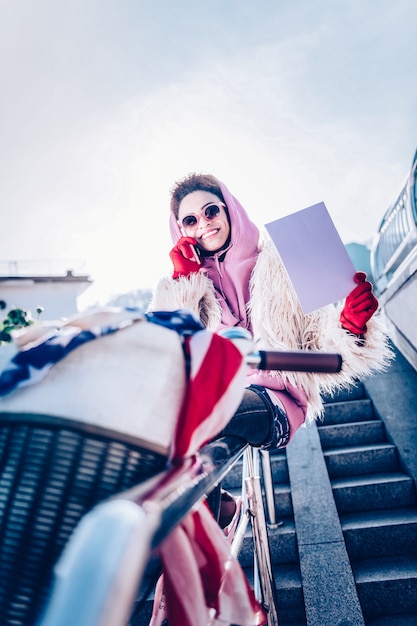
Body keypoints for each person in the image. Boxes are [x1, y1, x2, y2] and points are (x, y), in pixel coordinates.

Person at [149, 172, 393, 454]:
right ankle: (216, 499)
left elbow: (322, 350)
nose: (203, 223)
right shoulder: (187, 286)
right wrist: (184, 285)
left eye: (211, 211)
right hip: (214, 396)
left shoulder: (282, 262)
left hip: (277, 399)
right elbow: (168, 356)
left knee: (188, 421)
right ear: (181, 230)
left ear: (230, 211)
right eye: (190, 220)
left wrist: (351, 326)